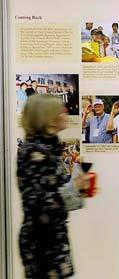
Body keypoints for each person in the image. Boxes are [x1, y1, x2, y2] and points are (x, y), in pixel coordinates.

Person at [17, 94, 90, 278]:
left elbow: (55, 193)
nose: (66, 113)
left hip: (52, 238)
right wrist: (73, 187)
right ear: (47, 117)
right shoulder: (33, 151)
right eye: (60, 110)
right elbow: (39, 203)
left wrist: (78, 187)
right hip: (41, 242)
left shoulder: (47, 149)